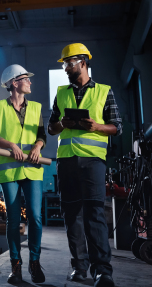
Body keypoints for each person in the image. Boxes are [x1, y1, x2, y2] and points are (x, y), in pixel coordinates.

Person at [47, 43, 122, 287]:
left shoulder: (104, 91)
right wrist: (63, 124)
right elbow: (51, 128)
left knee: (94, 215)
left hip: (93, 162)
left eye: (69, 63)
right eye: (64, 64)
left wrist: (97, 127)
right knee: (72, 216)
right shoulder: (61, 93)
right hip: (66, 162)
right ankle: (79, 267)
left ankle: (102, 271)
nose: (66, 68)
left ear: (83, 62)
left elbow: (116, 127)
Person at [0, 64, 46, 283]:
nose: (30, 82)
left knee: (35, 216)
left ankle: (34, 262)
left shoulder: (36, 108)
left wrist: (37, 148)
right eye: (25, 79)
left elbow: (41, 135)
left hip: (31, 167)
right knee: (13, 219)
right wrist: (12, 145)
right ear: (14, 83)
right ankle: (16, 266)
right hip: (9, 169)